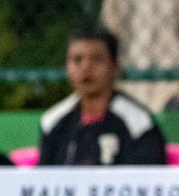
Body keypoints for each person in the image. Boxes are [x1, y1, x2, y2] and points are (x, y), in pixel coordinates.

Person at [39, 26, 167, 166]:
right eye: (77, 60)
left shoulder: (139, 124)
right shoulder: (53, 122)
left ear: (114, 65)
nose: (86, 67)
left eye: (97, 59)